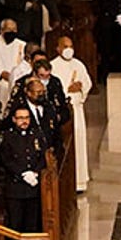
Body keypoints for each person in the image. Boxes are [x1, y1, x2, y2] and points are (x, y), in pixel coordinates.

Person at [0, 105, 46, 240]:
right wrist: (23, 173)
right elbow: (5, 160)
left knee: (33, 223)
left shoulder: (36, 134)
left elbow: (43, 156)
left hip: (34, 186)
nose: (24, 121)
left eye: (26, 118)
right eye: (21, 118)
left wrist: (36, 173)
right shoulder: (8, 137)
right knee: (16, 224)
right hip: (15, 188)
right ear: (14, 120)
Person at [47, 37, 94, 190]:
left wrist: (81, 86)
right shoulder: (52, 66)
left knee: (79, 142)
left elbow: (88, 83)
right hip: (63, 111)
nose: (69, 49)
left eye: (71, 46)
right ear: (58, 49)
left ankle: (80, 181)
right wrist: (67, 89)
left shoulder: (78, 64)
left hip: (77, 110)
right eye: (65, 46)